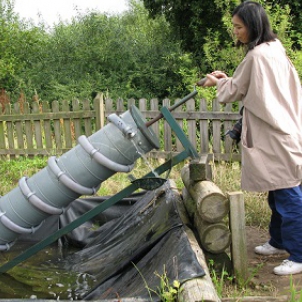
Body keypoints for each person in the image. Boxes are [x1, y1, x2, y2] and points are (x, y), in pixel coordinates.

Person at [201, 1, 302, 275]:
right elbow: (249, 85)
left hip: (276, 136)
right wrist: (228, 79)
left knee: (289, 194)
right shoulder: (276, 50)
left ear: (253, 26)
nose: (235, 32)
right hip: (285, 131)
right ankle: (279, 242)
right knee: (277, 190)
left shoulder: (257, 56)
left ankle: (299, 255)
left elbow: (233, 92)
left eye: (238, 27)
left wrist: (217, 82)